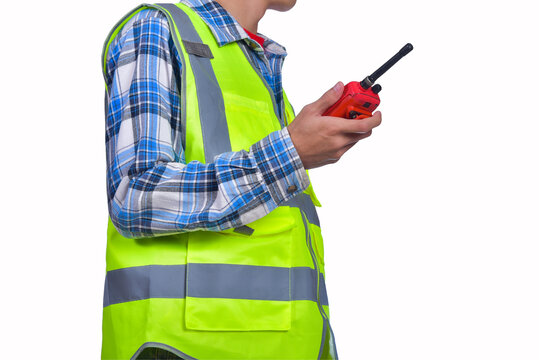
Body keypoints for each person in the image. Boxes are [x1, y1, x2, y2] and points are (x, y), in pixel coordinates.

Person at [101, 0, 382, 359]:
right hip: (181, 347)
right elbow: (135, 195)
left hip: (290, 344)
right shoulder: (158, 28)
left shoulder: (256, 64)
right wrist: (290, 153)